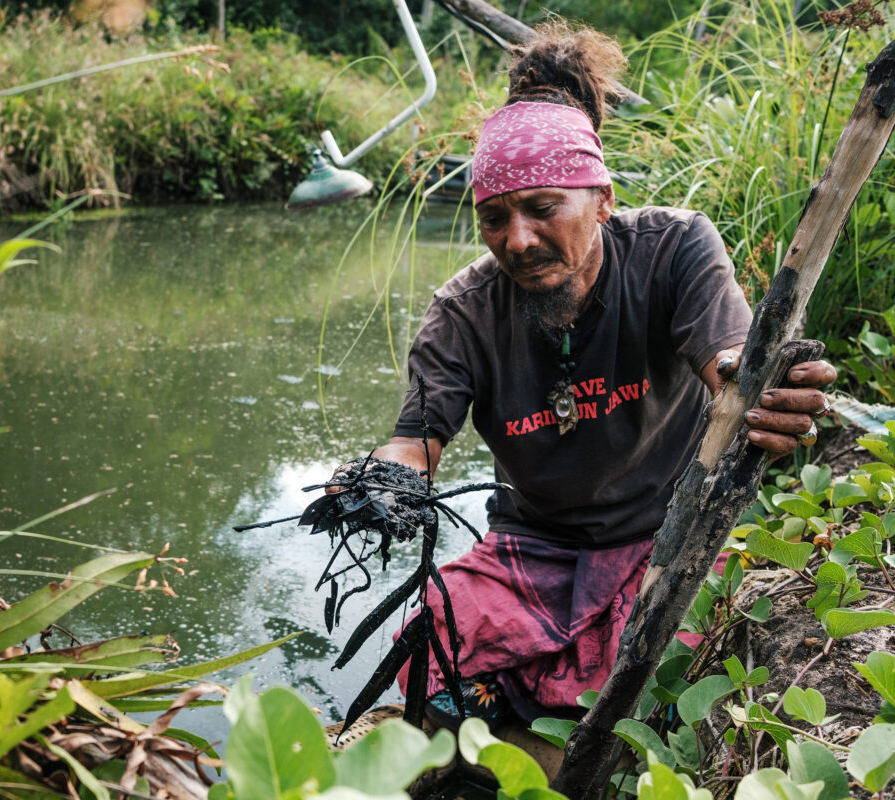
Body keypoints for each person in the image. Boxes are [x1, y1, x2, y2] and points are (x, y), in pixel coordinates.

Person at [348, 25, 837, 728]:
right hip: (537, 542)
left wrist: (758, 384)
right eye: (494, 218)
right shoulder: (461, 314)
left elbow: (727, 361)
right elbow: (416, 444)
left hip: (669, 529)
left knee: (683, 667)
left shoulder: (674, 248)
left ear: (602, 199)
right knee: (431, 644)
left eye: (543, 208)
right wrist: (380, 479)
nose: (517, 239)